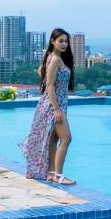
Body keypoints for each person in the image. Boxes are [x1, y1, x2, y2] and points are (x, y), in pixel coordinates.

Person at [20, 28, 76, 185]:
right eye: (61, 41)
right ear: (53, 41)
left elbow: (42, 73)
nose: (64, 44)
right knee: (66, 139)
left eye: (66, 41)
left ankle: (51, 173)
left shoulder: (55, 58)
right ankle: (59, 175)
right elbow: (49, 86)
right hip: (54, 106)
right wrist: (57, 109)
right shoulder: (55, 60)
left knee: (53, 140)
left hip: (59, 104)